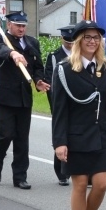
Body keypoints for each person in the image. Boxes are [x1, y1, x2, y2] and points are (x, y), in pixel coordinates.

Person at [51, 20, 106, 210]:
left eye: (96, 37)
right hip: (76, 136)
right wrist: (60, 142)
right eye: (88, 37)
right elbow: (59, 109)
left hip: (100, 134)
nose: (92, 41)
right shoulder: (64, 69)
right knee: (80, 185)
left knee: (101, 184)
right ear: (79, 40)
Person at [0, 11, 49, 189]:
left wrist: (38, 80)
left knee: (22, 139)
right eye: (18, 26)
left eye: (24, 26)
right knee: (5, 134)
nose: (21, 29)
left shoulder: (32, 42)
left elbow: (37, 66)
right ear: (9, 25)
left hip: (24, 97)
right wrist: (12, 54)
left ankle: (20, 176)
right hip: (5, 97)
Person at [44, 25, 75, 185]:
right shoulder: (54, 56)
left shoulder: (82, 56)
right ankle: (62, 172)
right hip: (60, 103)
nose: (70, 44)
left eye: (73, 41)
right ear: (62, 39)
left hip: (79, 104)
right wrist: (55, 104)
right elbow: (49, 82)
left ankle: (84, 171)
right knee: (61, 137)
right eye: (67, 41)